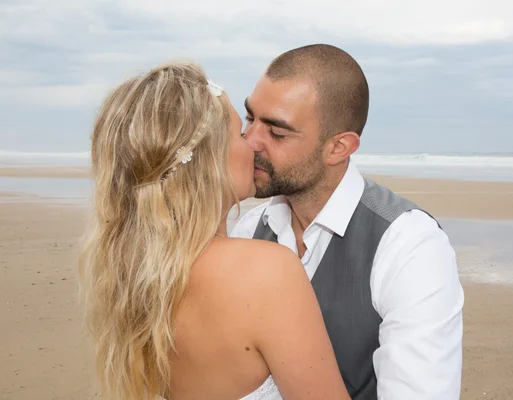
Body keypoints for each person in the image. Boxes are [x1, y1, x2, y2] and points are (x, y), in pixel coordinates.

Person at [78, 61, 351, 400]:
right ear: (209, 157)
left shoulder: (134, 272)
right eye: (240, 131)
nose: (253, 143)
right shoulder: (267, 271)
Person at [231, 44, 464, 399]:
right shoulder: (249, 229)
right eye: (250, 118)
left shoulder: (408, 246)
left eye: (277, 133)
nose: (250, 142)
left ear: (339, 147)